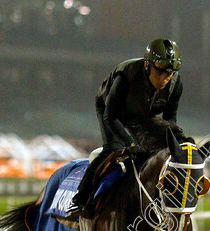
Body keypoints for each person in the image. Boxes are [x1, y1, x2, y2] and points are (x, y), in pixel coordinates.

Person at [66, 38, 184, 220]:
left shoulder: (176, 85)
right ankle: (80, 201)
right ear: (147, 66)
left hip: (144, 115)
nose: (164, 80)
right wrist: (131, 143)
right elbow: (110, 116)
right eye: (159, 73)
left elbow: (169, 122)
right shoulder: (126, 76)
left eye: (168, 75)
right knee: (114, 149)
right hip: (112, 111)